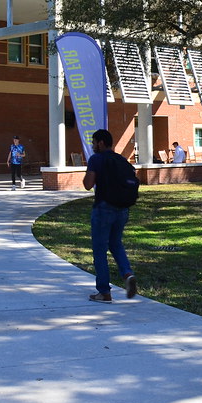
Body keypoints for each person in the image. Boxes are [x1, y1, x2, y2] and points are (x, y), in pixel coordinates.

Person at [83, 129, 138, 303]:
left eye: (93, 142)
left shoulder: (96, 159)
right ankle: (127, 273)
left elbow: (88, 184)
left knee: (100, 250)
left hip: (103, 208)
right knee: (115, 244)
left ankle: (104, 292)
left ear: (100, 143)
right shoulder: (120, 159)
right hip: (122, 209)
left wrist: (89, 172)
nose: (92, 146)